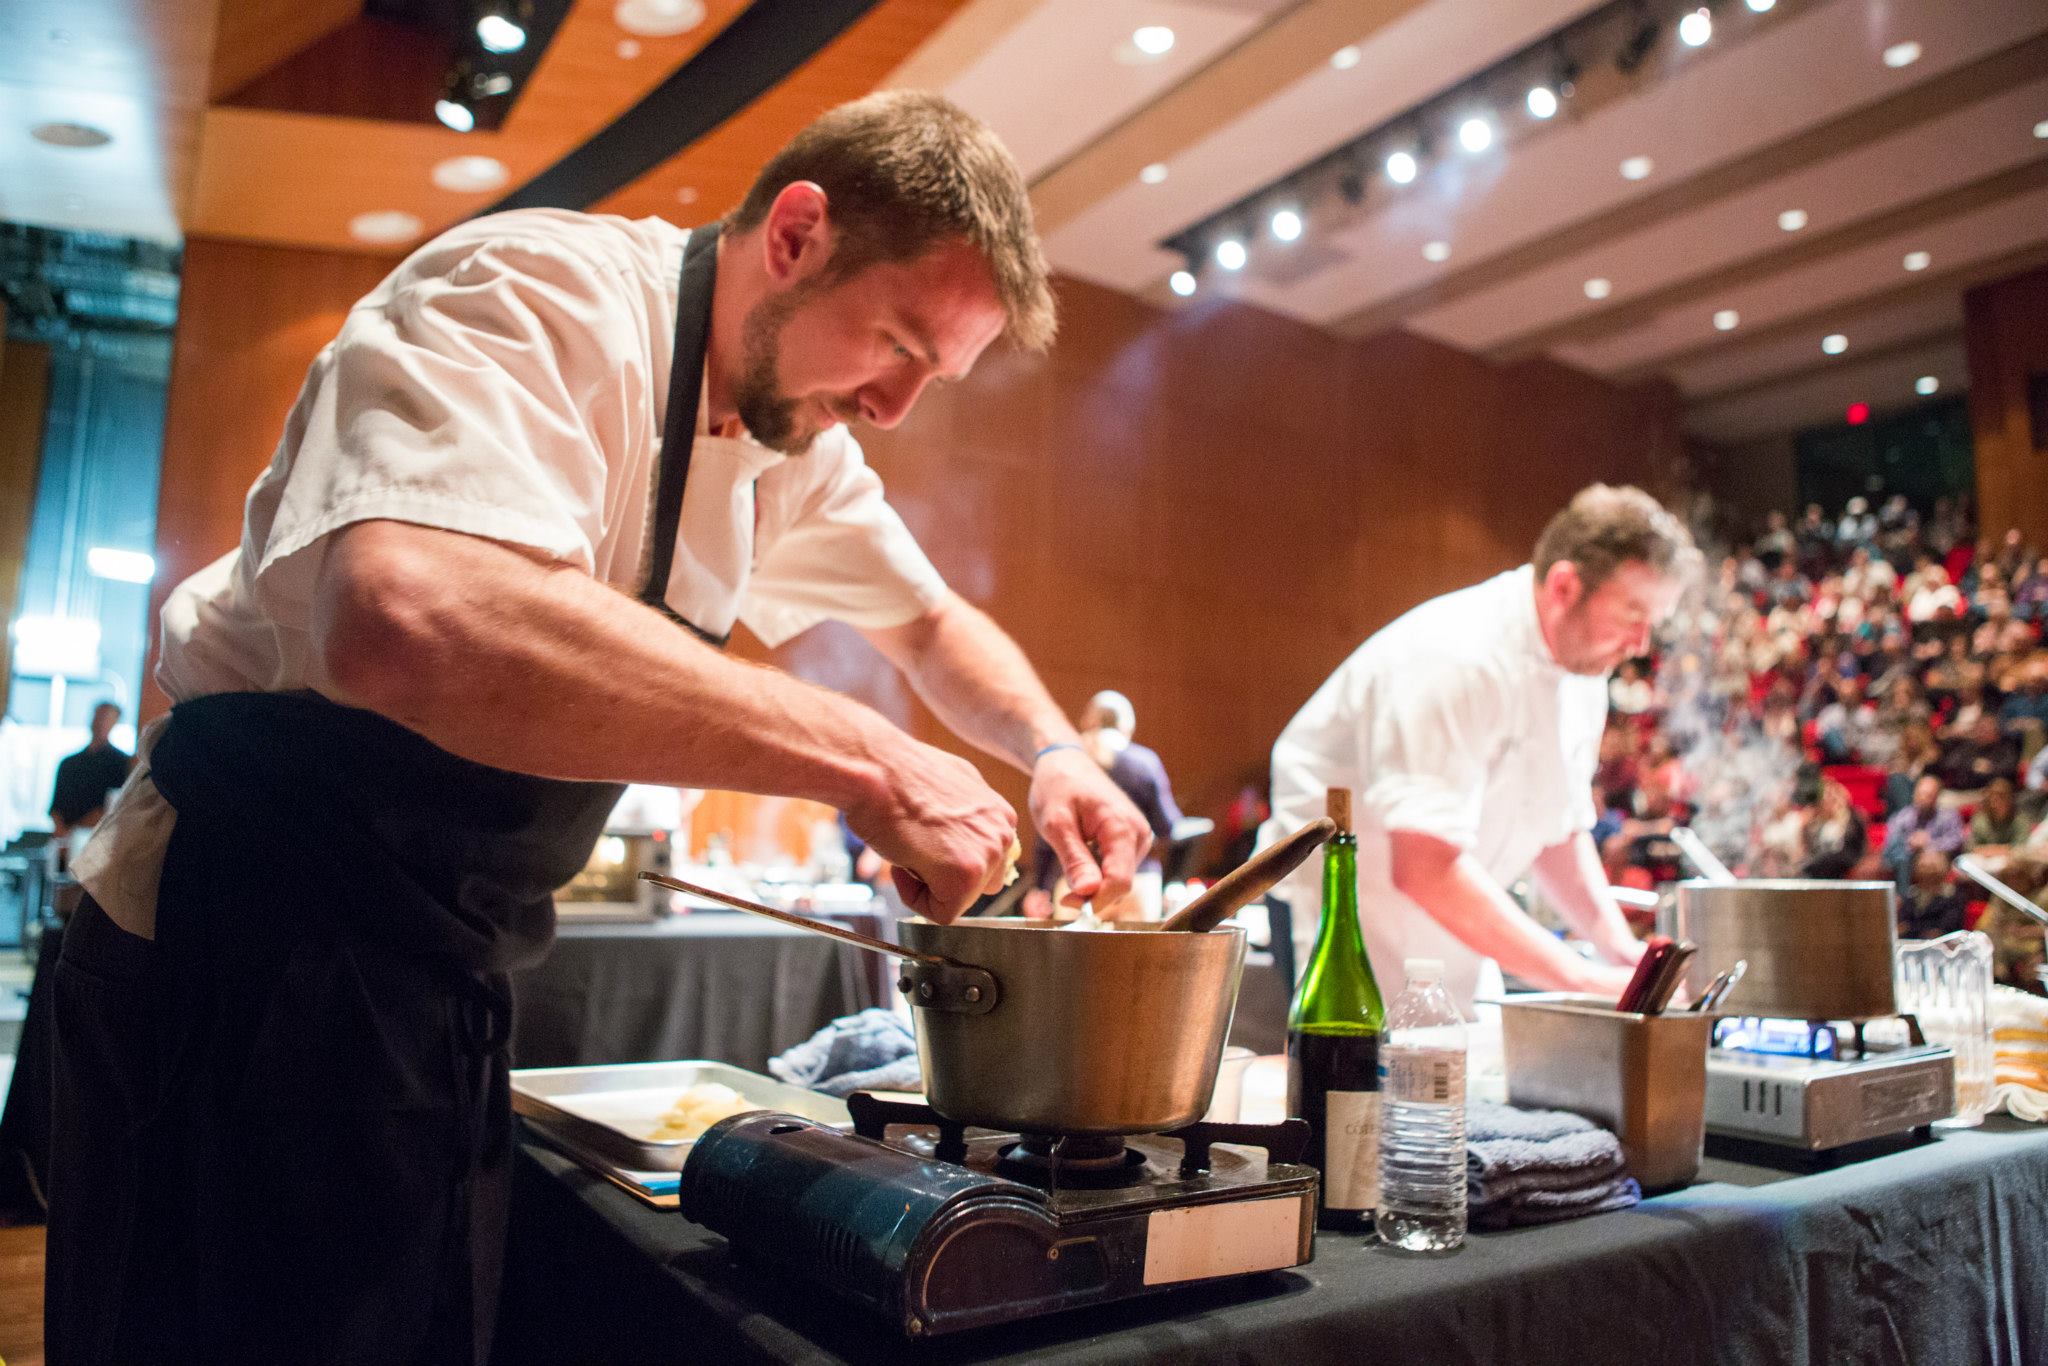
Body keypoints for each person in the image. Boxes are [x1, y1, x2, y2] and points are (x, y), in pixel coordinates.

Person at [50, 92, 1151, 1364]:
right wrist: (867, 758)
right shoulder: (534, 289)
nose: (897, 406)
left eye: (932, 375)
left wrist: (1056, 750)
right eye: (896, 344)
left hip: (437, 969)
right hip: (240, 943)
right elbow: (404, 613)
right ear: (794, 232)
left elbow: (928, 624)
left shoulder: (796, 449)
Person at [1261, 484, 1694, 1011]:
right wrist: (1579, 979)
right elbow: (1423, 867)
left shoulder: (1582, 672)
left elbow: (1556, 829)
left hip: (1454, 921)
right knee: (1354, 1083)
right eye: (1632, 615)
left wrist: (1616, 948)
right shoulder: (1454, 657)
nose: (1641, 644)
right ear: (1564, 585)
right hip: (1350, 918)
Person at [1023, 690, 1185, 919]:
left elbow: (1049, 831)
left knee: (1071, 955)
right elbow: (1167, 828)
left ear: (1088, 721)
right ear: (1127, 727)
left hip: (1077, 885)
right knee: (1137, 955)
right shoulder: (1146, 763)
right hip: (1135, 884)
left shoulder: (1069, 764)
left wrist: (1040, 888)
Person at [47, 701, 132, 848]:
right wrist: (63, 834)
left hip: (98, 841)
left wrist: (74, 832)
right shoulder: (68, 763)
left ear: (115, 723)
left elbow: (112, 806)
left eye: (106, 718)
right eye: (98, 716)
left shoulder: (121, 763)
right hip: (63, 842)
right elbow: (55, 807)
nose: (100, 722)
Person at [1884, 774, 1966, 890]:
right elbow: (1890, 845)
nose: (1922, 798)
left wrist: (1930, 843)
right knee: (1901, 856)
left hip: (1939, 857)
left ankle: (1935, 903)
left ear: (1936, 797)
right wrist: (1910, 842)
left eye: (1928, 795)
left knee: (1931, 861)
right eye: (1920, 794)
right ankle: (1905, 900)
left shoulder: (1948, 816)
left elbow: (1957, 840)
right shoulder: (1903, 816)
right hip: (1909, 860)